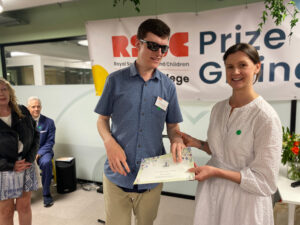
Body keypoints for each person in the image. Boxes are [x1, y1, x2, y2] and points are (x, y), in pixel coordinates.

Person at [178, 43, 282, 225]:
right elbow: (222, 152)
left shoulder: (265, 117)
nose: (235, 72)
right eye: (230, 67)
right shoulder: (219, 108)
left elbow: (266, 181)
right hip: (212, 195)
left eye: (242, 65)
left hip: (245, 202)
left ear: (257, 67)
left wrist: (216, 172)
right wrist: (198, 143)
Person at [95, 18, 185, 225]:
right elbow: (102, 120)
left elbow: (173, 127)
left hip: (151, 176)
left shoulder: (168, 87)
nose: (159, 53)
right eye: (153, 46)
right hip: (117, 175)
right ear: (138, 43)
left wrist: (177, 140)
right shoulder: (115, 81)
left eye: (164, 48)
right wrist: (109, 143)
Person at [0, 78, 39, 225]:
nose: (1, 93)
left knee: (24, 207)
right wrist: (11, 165)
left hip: (26, 164)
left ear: (10, 92)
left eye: (4, 89)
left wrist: (29, 159)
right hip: (3, 170)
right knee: (6, 211)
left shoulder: (22, 110)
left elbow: (36, 135)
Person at [27, 96, 56, 208]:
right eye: (33, 106)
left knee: (47, 163)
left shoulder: (49, 122)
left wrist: (38, 153)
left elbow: (50, 142)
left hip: (44, 151)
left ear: (41, 107)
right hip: (28, 151)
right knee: (19, 165)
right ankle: (23, 196)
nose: (36, 109)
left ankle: (47, 194)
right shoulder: (23, 121)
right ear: (28, 108)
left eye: (38, 106)